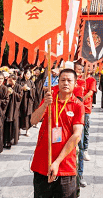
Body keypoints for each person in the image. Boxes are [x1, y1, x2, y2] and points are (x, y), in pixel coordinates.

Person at [30, 68, 84, 198]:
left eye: (69, 80)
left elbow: (76, 136)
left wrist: (57, 162)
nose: (65, 83)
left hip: (65, 165)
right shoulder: (49, 99)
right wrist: (44, 106)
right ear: (57, 82)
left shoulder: (78, 105)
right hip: (42, 163)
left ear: (75, 84)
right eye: (62, 80)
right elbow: (33, 120)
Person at [75, 63, 97, 187]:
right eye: (78, 69)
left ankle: (80, 174)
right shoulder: (74, 80)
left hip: (85, 109)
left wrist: (81, 99)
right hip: (72, 111)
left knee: (82, 138)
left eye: (81, 69)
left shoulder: (91, 80)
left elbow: (90, 92)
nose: (81, 71)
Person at [4, 73, 23, 149]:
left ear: (15, 80)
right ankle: (7, 139)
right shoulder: (7, 87)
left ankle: (14, 139)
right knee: (7, 123)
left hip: (15, 107)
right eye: (9, 81)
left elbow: (20, 97)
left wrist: (13, 93)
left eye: (11, 80)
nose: (10, 82)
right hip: (8, 107)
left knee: (14, 123)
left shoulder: (19, 87)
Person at [19, 69, 36, 137]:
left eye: (29, 74)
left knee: (27, 115)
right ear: (24, 74)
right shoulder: (20, 81)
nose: (28, 75)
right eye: (27, 74)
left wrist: (30, 89)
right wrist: (22, 88)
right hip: (21, 101)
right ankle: (19, 129)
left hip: (28, 100)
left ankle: (27, 130)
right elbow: (17, 88)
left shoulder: (31, 82)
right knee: (20, 114)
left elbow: (34, 90)